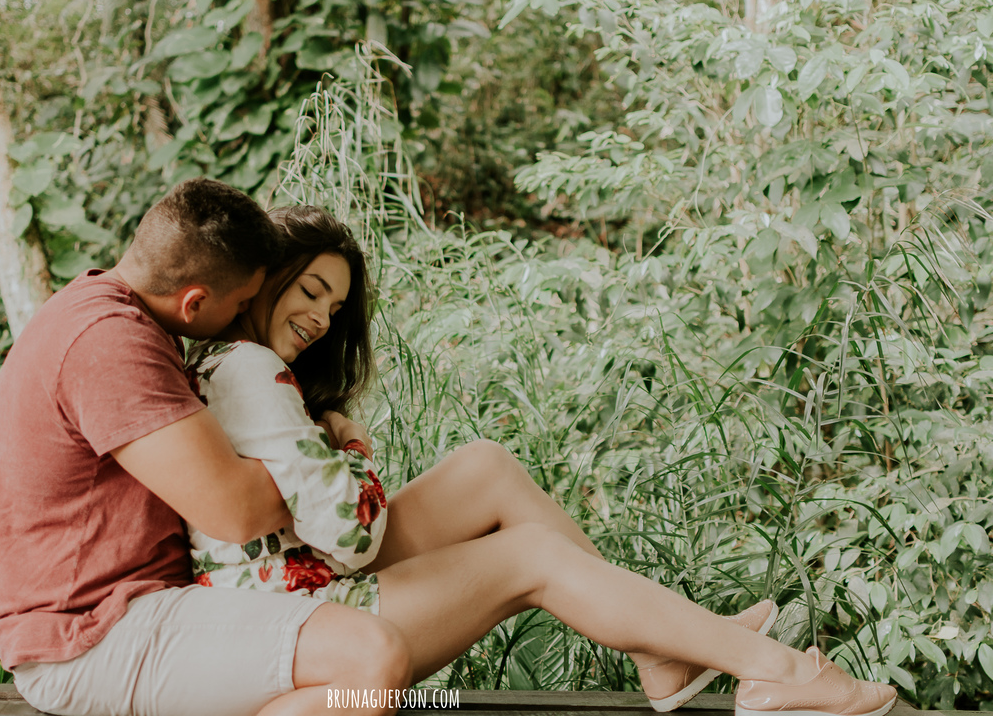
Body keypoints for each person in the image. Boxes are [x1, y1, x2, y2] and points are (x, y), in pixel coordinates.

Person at [178, 205, 900, 716]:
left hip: (293, 578)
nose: (321, 318)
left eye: (335, 308)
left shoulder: (235, 364)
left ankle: (660, 650)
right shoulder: (250, 369)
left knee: (485, 466)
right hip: (296, 619)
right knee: (530, 558)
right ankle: (778, 672)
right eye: (311, 291)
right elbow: (353, 535)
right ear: (265, 278)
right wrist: (354, 446)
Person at [0, 179, 413, 716]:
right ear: (195, 303)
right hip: (89, 635)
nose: (244, 316)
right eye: (242, 303)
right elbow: (237, 512)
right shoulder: (110, 341)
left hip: (136, 611)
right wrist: (329, 452)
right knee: (370, 657)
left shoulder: (115, 314)